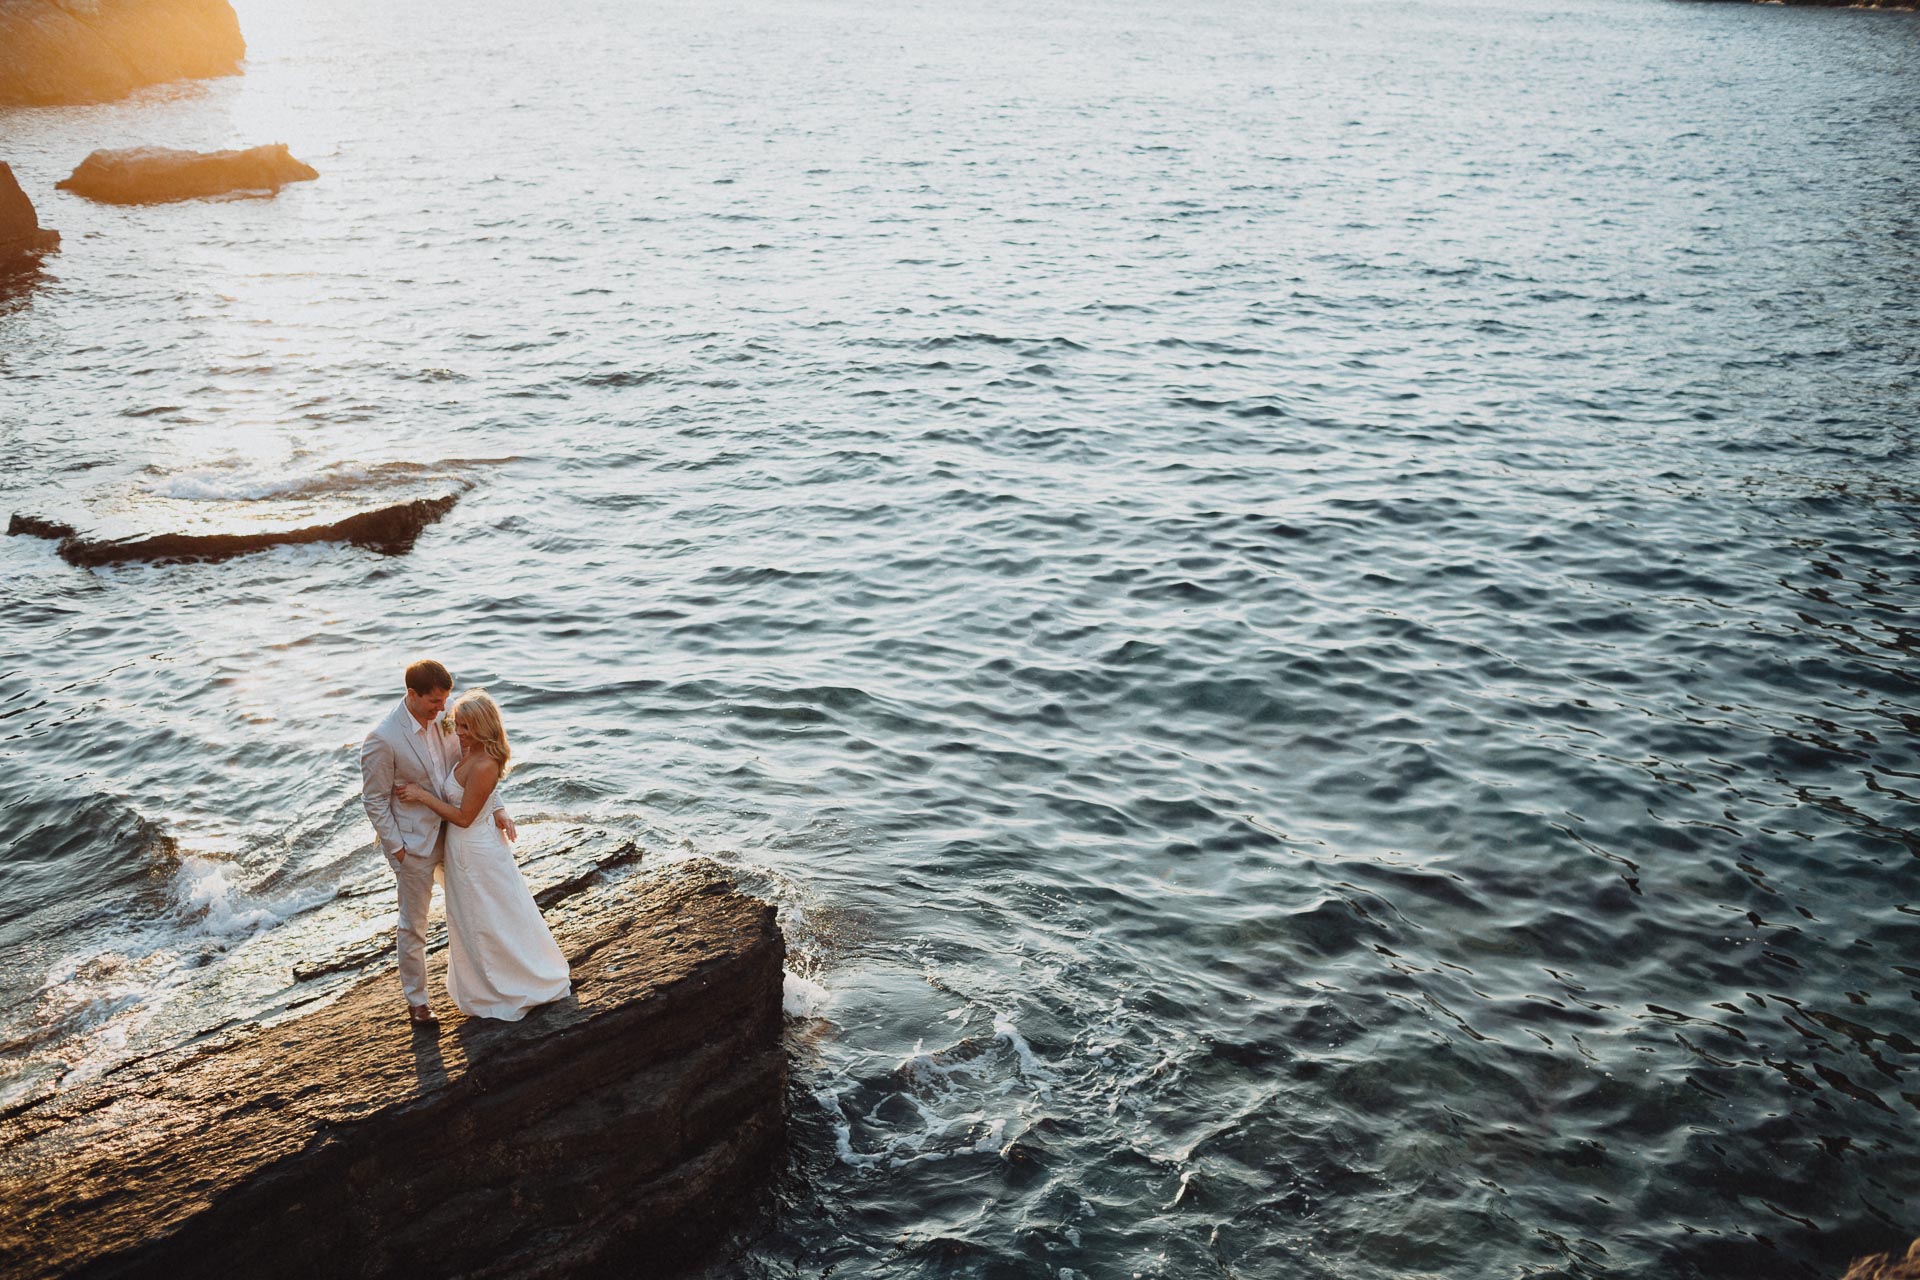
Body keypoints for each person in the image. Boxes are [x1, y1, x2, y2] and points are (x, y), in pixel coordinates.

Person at [395, 688, 570, 1021]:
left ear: (483, 727)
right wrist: (499, 807)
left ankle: (508, 984)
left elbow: (463, 816)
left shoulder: (485, 763)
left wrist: (421, 796)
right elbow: (478, 794)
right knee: (472, 918)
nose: (457, 733)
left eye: (465, 728)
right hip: (464, 847)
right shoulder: (471, 749)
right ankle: (483, 985)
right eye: (458, 725)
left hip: (475, 851)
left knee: (488, 918)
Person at [360, 659, 519, 1026]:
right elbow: (374, 800)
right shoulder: (383, 738)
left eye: (445, 700)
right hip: (414, 844)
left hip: (458, 834)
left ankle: (493, 980)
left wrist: (498, 806)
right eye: (434, 702)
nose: (442, 709)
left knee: (473, 909)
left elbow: (470, 768)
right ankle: (417, 1002)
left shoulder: (448, 718)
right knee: (413, 925)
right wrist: (397, 848)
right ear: (412, 695)